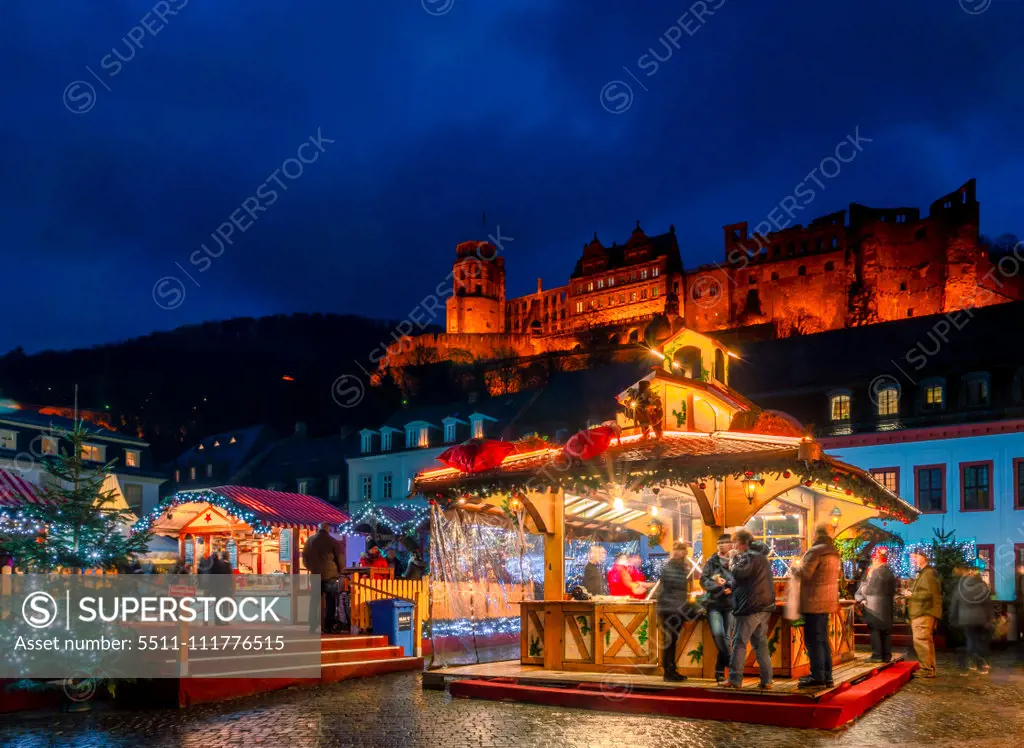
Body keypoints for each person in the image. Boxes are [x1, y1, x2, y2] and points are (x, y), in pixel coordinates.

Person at [722, 529, 774, 690]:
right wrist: (730, 586)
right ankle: (767, 681)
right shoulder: (760, 556)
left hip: (750, 606)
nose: (733, 546)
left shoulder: (748, 556)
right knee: (760, 644)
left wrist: (732, 559)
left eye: (734, 542)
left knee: (739, 643)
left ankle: (734, 679)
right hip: (764, 606)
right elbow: (747, 579)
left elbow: (739, 574)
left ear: (740, 542)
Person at [794, 523, 841, 688]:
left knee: (813, 640)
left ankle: (817, 676)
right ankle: (827, 675)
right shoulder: (833, 552)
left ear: (816, 534)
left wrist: (795, 567)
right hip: (827, 602)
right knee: (823, 640)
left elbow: (806, 574)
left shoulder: (815, 551)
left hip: (813, 601)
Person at [700, 534, 736, 683]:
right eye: (719, 542)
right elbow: (703, 580)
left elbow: (740, 578)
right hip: (714, 604)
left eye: (725, 542)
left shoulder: (737, 560)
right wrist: (717, 585)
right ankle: (731, 663)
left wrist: (730, 587)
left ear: (731, 544)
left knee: (727, 637)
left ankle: (720, 670)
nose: (721, 545)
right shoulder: (711, 561)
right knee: (719, 635)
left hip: (731, 604)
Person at [657, 541, 693, 682]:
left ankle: (671, 669)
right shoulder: (672, 567)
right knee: (670, 641)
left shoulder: (677, 566)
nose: (683, 552)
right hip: (670, 609)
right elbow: (673, 589)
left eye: (684, 550)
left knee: (671, 640)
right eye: (680, 550)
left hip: (673, 608)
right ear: (675, 551)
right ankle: (669, 671)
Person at [855, 548, 897, 663]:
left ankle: (877, 655)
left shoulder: (877, 572)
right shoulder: (890, 572)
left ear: (877, 560)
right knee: (886, 631)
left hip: (875, 606)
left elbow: (871, 590)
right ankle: (886, 655)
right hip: (886, 606)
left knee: (875, 630)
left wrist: (862, 592)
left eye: (874, 560)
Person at [950, 564, 993, 674]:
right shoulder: (982, 585)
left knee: (971, 640)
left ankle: (971, 662)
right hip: (980, 617)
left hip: (965, 618)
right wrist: (989, 618)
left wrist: (952, 617)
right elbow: (987, 603)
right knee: (979, 641)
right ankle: (979, 663)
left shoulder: (960, 586)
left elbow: (955, 603)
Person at [905, 549, 942, 678]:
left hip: (923, 612)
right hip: (923, 611)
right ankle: (929, 668)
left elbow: (928, 594)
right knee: (926, 641)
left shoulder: (928, 573)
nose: (913, 560)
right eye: (912, 557)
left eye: (915, 557)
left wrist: (911, 595)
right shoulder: (924, 573)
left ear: (924, 557)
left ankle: (926, 669)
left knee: (921, 640)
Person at [302, 523, 344, 634]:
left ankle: (312, 625)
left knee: (314, 601)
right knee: (331, 601)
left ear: (318, 528)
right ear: (328, 529)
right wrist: (340, 571)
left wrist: (311, 568)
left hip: (315, 574)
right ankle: (328, 625)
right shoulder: (332, 541)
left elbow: (304, 558)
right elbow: (340, 559)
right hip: (330, 575)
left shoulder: (310, 541)